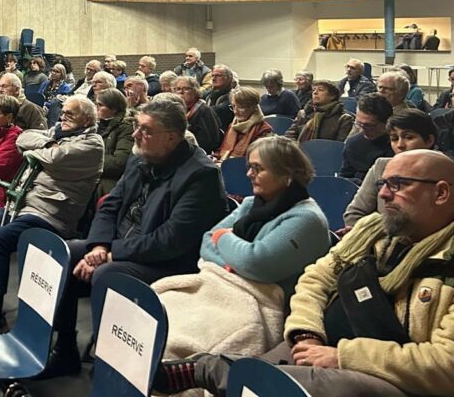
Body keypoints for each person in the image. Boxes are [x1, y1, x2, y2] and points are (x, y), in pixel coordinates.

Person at [157, 149, 454, 397]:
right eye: (383, 184)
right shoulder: (373, 230)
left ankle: (208, 368)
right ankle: (211, 370)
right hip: (318, 345)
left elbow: (446, 364)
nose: (384, 194)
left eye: (398, 184)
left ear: (440, 193)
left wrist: (343, 356)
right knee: (248, 379)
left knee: (265, 382)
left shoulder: (446, 260)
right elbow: (315, 279)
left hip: (390, 378)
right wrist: (307, 333)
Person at [46, 99, 229, 377]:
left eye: (145, 130)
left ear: (171, 138)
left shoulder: (201, 175)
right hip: (122, 246)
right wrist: (98, 247)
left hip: (167, 261)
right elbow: (110, 206)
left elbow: (170, 240)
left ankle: (114, 365)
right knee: (66, 252)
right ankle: (64, 350)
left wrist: (110, 255)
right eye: (136, 126)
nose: (135, 134)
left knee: (108, 273)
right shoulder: (141, 157)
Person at [153, 138, 330, 361]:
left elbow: (256, 263)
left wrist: (223, 237)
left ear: (286, 174)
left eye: (258, 168)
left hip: (257, 303)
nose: (249, 174)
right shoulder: (251, 204)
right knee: (158, 314)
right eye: (249, 167)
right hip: (220, 284)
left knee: (181, 342)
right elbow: (206, 242)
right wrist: (234, 263)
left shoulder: (306, 219)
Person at [0, 96, 104, 336]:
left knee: (1, 239)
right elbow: (23, 138)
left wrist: (37, 151)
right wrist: (49, 143)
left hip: (51, 213)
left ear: (87, 119)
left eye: (70, 114)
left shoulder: (93, 144)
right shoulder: (58, 134)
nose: (62, 117)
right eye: (63, 112)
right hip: (25, 204)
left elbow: (55, 158)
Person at [343, 110, 438, 228]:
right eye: (394, 138)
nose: (400, 145)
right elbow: (354, 214)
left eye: (408, 137)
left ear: (429, 140)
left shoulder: (445, 171)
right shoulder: (381, 166)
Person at [339, 93, 394, 183]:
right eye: (359, 123)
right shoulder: (353, 143)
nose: (362, 129)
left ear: (386, 122)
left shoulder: (397, 145)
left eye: (369, 126)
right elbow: (344, 177)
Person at [213, 86, 273, 162]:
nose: (235, 111)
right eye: (233, 106)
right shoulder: (233, 125)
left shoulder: (264, 130)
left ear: (254, 107)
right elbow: (222, 150)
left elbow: (258, 160)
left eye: (240, 107)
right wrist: (215, 157)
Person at [286, 80, 354, 143]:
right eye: (313, 90)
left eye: (320, 90)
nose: (315, 92)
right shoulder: (303, 114)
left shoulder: (344, 118)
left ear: (332, 96)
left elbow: (338, 145)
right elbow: (290, 135)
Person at [95, 88, 134, 196]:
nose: (96, 108)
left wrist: (88, 160)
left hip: (108, 181)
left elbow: (119, 162)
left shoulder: (126, 128)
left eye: (100, 105)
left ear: (114, 108)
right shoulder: (95, 124)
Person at [172, 76, 221, 154]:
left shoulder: (204, 111)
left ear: (195, 91)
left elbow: (209, 141)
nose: (181, 92)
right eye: (178, 89)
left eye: (186, 89)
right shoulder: (179, 110)